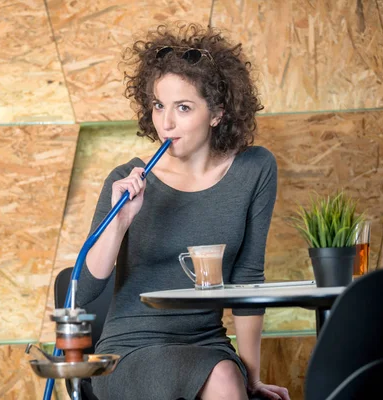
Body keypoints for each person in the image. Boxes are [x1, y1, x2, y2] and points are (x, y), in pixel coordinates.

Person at [76, 23, 290, 400]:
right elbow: (86, 291)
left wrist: (252, 375)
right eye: (159, 106)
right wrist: (119, 222)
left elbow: (248, 276)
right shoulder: (128, 179)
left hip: (207, 343)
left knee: (225, 374)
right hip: (129, 350)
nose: (166, 123)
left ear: (217, 114)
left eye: (183, 108)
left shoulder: (254, 170)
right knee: (222, 378)